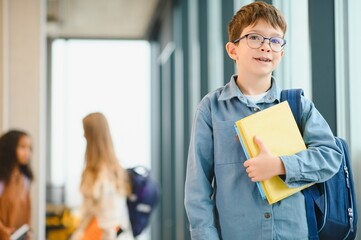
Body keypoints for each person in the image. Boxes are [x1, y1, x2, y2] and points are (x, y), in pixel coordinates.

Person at [184, 2, 342, 240]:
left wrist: (280, 165)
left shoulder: (297, 105)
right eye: (255, 37)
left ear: (281, 52)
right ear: (232, 50)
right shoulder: (211, 108)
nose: (266, 47)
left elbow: (331, 156)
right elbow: (198, 190)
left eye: (275, 40)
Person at [70, 112, 134, 240]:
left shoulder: (100, 175)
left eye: (85, 133)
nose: (83, 136)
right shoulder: (115, 171)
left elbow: (109, 222)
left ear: (92, 136)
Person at [0, 130, 34, 240]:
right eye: (22, 147)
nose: (27, 152)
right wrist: (3, 230)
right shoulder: (2, 179)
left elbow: (27, 209)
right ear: (9, 149)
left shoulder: (25, 179)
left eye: (29, 148)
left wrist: (27, 229)